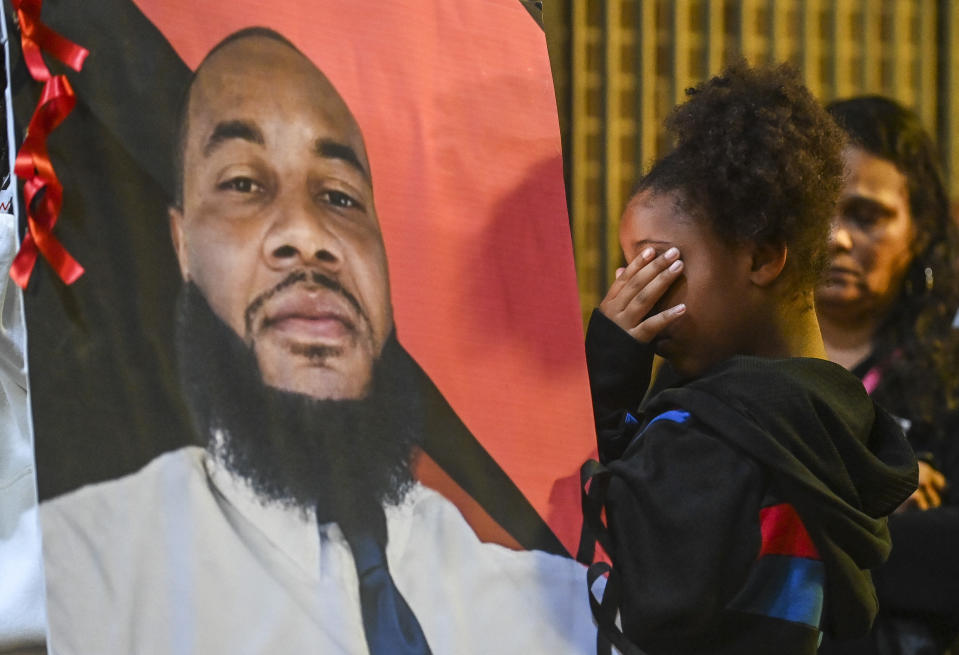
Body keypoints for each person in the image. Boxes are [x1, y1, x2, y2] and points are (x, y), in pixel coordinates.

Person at [38, 28, 596, 655]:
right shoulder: (76, 573)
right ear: (181, 243)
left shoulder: (555, 610)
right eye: (244, 183)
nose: (307, 234)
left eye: (339, 196)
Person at [578, 62, 918, 655]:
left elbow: (596, 565)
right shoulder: (828, 422)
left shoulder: (714, 436)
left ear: (762, 258)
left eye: (659, 266)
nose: (638, 297)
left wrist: (603, 391)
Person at [816, 96, 959, 655]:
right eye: (817, 211)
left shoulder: (949, 374)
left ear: (919, 229)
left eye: (866, 215)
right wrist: (866, 493)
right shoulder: (733, 354)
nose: (836, 239)